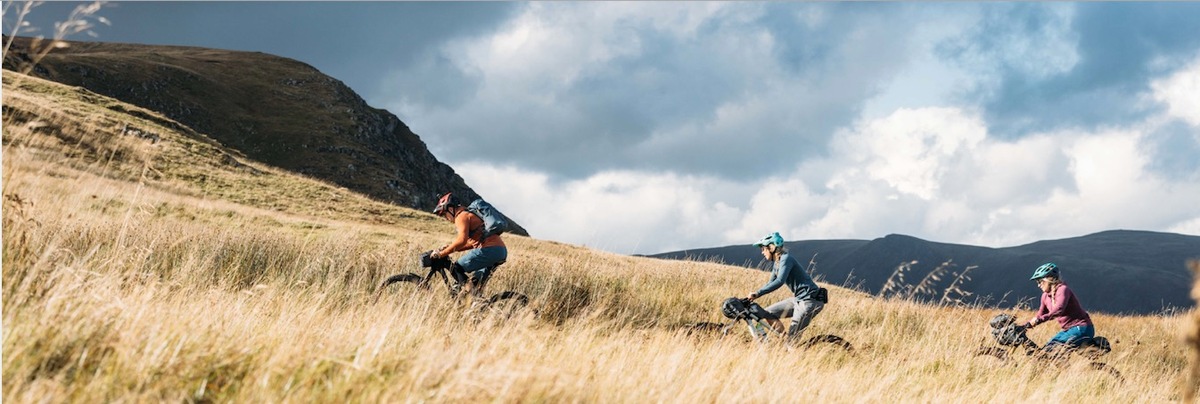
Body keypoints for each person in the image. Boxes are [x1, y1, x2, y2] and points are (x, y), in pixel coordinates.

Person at [745, 232, 826, 342]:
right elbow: (771, 283)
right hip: (798, 299)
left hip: (809, 301)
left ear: (771, 247)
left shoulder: (786, 259)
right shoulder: (777, 263)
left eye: (763, 249)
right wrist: (753, 295)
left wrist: (758, 293)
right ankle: (784, 341)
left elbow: (779, 281)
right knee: (767, 313)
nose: (762, 252)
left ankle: (790, 347)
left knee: (792, 342)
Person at [430, 192, 507, 298]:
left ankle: (474, 299)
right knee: (474, 283)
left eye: (444, 214)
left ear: (451, 209)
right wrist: (450, 248)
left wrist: (441, 254)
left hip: (490, 250)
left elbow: (462, 240)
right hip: (499, 251)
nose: (445, 218)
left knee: (456, 267)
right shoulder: (468, 214)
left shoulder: (461, 217)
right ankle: (481, 305)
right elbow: (471, 243)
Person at [1022, 262, 1095, 353]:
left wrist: (1039, 320)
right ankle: (1067, 367)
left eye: (1040, 281)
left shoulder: (1063, 289)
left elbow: (1058, 310)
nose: (1038, 285)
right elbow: (1040, 314)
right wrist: (1023, 326)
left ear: (1049, 279)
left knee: (1052, 351)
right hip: (1068, 330)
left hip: (1082, 328)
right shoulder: (1045, 296)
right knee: (1045, 352)